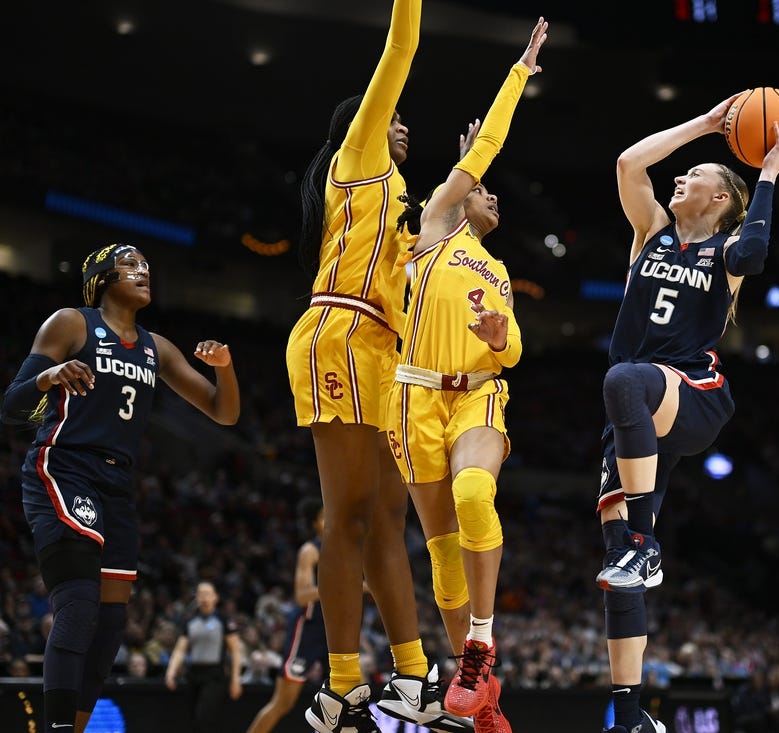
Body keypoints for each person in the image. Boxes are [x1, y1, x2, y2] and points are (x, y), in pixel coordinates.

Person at [283, 1, 474, 731]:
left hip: (383, 353)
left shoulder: (403, 205)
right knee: (349, 515)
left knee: (391, 519)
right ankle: (336, 687)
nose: (400, 125)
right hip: (338, 330)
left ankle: (414, 676)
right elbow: (401, 46)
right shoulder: (357, 161)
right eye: (388, 116)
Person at [593, 94, 779, 733]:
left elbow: (754, 256)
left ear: (720, 202)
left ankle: (644, 542)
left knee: (624, 378)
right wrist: (708, 126)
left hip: (693, 395)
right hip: (633, 416)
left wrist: (768, 175)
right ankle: (631, 717)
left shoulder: (725, 255)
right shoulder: (650, 235)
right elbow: (632, 162)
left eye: (698, 176)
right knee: (617, 575)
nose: (682, 177)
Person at [0, 242, 240, 732]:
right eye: (131, 265)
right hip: (63, 467)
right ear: (103, 277)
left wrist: (225, 368)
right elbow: (11, 408)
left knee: (109, 631)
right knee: (79, 606)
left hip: (117, 484)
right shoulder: (70, 323)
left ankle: (78, 726)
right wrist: (49, 376)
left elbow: (224, 411)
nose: (143, 271)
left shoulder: (157, 348)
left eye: (148, 266)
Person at [385, 16, 549, 733]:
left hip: (477, 400)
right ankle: (481, 697)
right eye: (485, 190)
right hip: (413, 397)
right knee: (441, 552)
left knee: (475, 491)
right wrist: (518, 73)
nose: (493, 198)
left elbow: (512, 350)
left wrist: (498, 334)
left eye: (490, 196)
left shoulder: (500, 270)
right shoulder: (437, 223)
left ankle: (480, 640)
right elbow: (484, 150)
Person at [244, 496, 328, 733]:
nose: (330, 521)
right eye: (324, 518)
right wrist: (348, 585)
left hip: (332, 630)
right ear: (314, 523)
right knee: (283, 702)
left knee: (349, 696)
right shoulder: (310, 550)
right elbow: (302, 595)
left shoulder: (344, 548)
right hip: (308, 628)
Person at [165, 580, 243, 728]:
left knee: (204, 716)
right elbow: (180, 649)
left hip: (215, 675)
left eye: (208, 594)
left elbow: (236, 651)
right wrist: (171, 671)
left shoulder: (223, 620)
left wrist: (236, 679)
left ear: (215, 597)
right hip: (193, 673)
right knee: (192, 718)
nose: (204, 598)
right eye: (201, 594)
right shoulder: (190, 621)